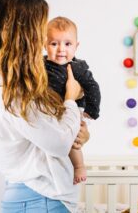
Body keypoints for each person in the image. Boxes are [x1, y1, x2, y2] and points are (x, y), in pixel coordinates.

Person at [0, 0, 89, 212]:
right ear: (23, 35)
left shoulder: (0, 80)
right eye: (40, 32)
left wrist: (77, 134)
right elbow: (59, 144)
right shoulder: (12, 89)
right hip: (42, 199)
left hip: (32, 196)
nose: (43, 40)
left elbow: (50, 134)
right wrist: (71, 98)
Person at [45, 16, 101, 184]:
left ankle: (79, 166)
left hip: (74, 110)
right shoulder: (39, 66)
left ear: (76, 46)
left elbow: (93, 87)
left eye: (67, 44)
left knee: (73, 140)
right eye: (54, 44)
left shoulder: (77, 68)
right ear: (44, 45)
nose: (61, 49)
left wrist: (91, 112)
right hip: (50, 112)